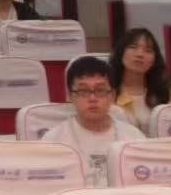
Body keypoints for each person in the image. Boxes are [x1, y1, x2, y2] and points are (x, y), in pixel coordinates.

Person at [45, 55, 145, 187]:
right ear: (70, 96)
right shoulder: (53, 141)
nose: (92, 98)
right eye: (83, 91)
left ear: (112, 95)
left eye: (100, 90)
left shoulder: (134, 138)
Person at [110, 28, 171, 131]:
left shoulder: (164, 89)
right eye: (133, 47)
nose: (140, 54)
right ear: (121, 52)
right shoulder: (107, 89)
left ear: (154, 60)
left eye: (148, 50)